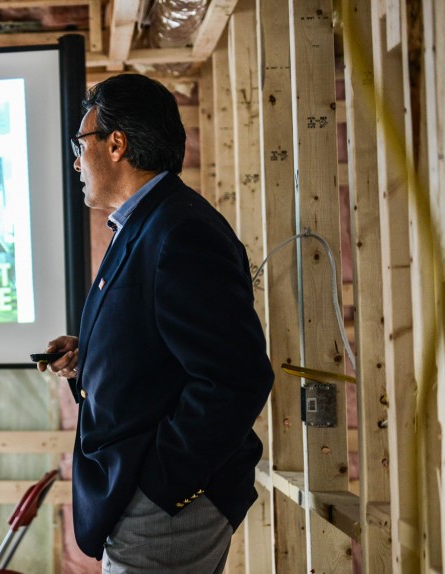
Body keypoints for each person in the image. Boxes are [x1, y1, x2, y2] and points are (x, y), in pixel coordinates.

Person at [38, 73, 274, 573]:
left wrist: (163, 484)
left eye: (80, 145)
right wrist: (93, 356)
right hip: (144, 495)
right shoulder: (150, 222)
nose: (77, 162)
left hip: (165, 502)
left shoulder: (180, 231)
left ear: (116, 144)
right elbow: (165, 344)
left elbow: (236, 378)